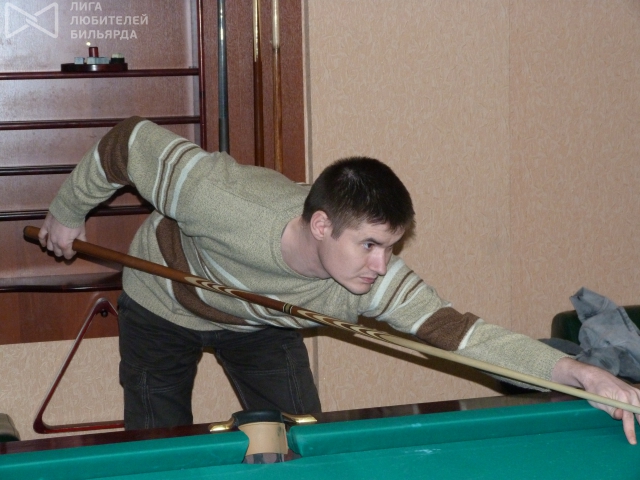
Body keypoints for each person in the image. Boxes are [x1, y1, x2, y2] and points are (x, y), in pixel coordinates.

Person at [39, 116, 640, 443]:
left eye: (391, 246)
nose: (381, 266)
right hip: (163, 303)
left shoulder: (371, 279)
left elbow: (466, 336)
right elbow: (128, 142)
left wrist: (577, 371)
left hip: (261, 321)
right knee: (157, 446)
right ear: (322, 225)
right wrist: (68, 211)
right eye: (370, 245)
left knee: (303, 439)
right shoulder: (219, 198)